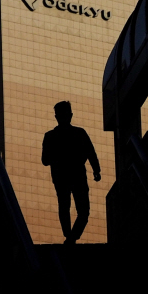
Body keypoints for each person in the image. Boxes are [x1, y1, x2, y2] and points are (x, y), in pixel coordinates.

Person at [41, 100, 101, 244]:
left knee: (65, 206)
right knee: (82, 210)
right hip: (76, 175)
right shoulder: (79, 133)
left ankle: (70, 237)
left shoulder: (50, 136)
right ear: (71, 115)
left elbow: (45, 160)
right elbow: (91, 152)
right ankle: (71, 237)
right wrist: (96, 170)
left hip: (62, 176)